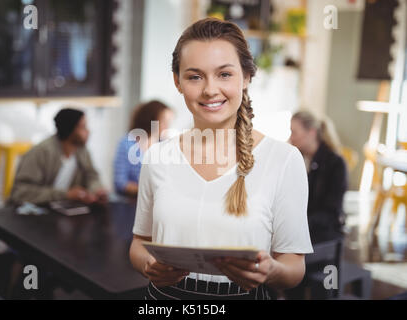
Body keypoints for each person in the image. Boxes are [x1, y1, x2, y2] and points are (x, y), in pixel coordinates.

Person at [129, 18, 313, 300]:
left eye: (224, 74)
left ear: (247, 77)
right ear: (178, 81)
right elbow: (139, 244)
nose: (210, 89)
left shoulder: (284, 160)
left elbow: (293, 266)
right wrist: (148, 265)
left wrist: (270, 270)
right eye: (194, 76)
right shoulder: (158, 157)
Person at [8, 108, 107, 206]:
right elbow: (20, 192)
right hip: (34, 212)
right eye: (83, 127)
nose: (88, 131)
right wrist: (65, 195)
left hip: (65, 211)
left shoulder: (82, 151)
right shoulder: (41, 152)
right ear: (70, 130)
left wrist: (97, 190)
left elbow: (91, 176)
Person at [289, 110, 348, 244]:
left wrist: (296, 225)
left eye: (294, 132)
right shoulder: (299, 159)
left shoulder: (335, 164)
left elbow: (331, 212)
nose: (291, 138)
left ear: (311, 133)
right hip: (306, 229)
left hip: (324, 234)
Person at [113, 100, 173, 197]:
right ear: (152, 120)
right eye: (164, 122)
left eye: (169, 123)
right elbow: (120, 182)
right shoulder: (126, 144)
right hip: (132, 204)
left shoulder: (165, 145)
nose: (167, 127)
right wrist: (147, 191)